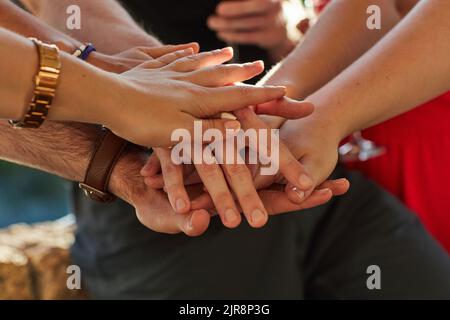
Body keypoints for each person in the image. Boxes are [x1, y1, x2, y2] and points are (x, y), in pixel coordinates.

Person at [4, 0, 449, 299]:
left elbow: (380, 9)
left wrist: (271, 105)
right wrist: (144, 94)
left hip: (295, 149)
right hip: (156, 171)